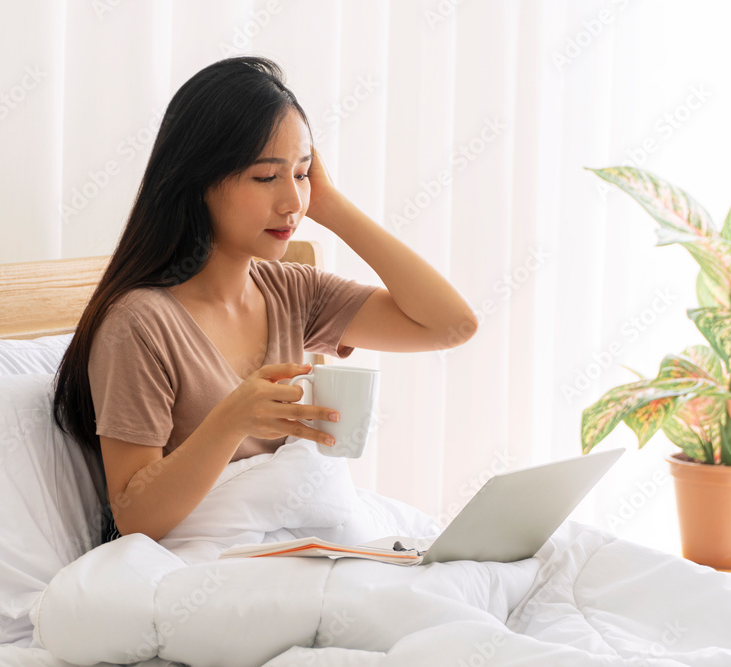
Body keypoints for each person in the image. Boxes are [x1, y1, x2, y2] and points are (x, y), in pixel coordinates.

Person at [52, 56, 477, 546]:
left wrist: (331, 206)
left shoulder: (294, 292)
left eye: (302, 174)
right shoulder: (139, 324)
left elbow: (450, 325)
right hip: (208, 565)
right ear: (199, 181)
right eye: (265, 177)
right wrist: (231, 419)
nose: (293, 203)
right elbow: (135, 517)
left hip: (295, 551)